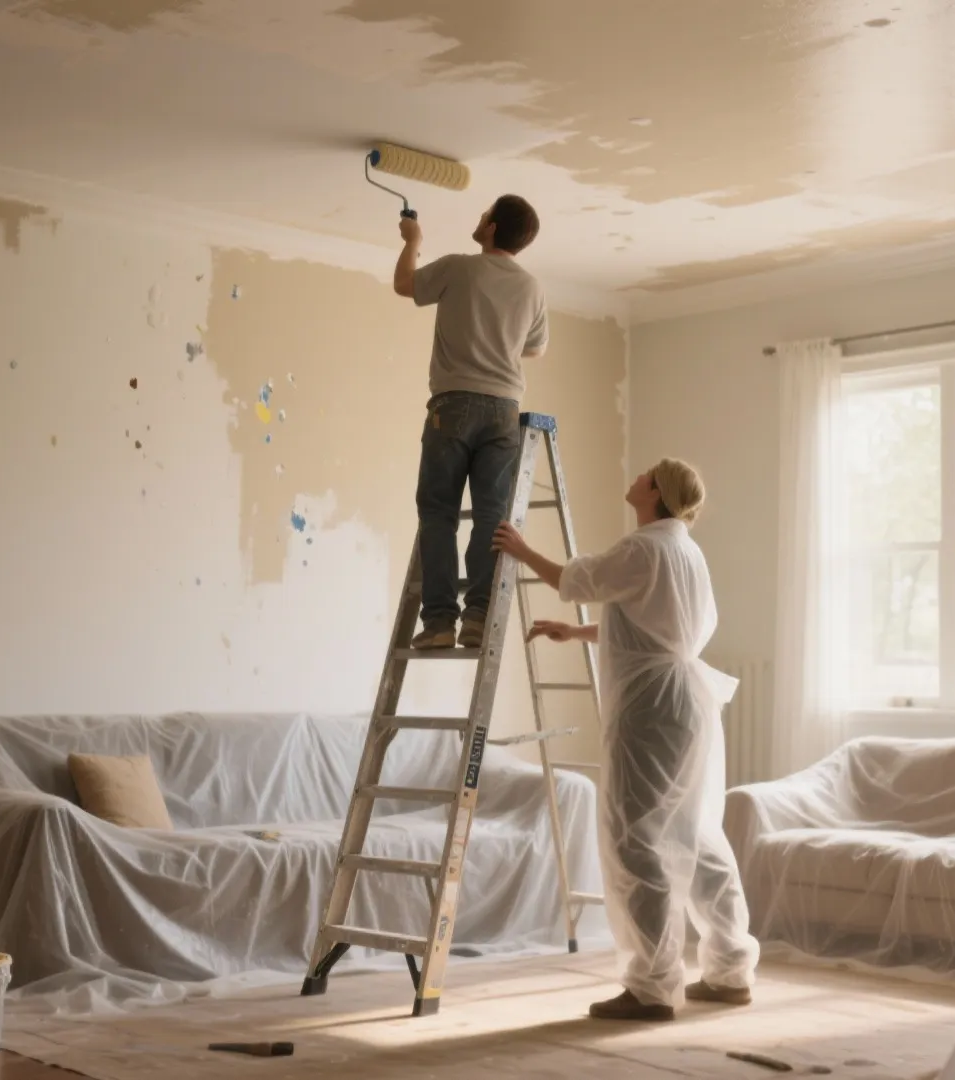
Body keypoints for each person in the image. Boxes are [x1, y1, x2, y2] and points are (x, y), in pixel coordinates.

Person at [493, 459, 760, 1022]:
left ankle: (651, 987)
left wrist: (522, 550)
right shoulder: (685, 551)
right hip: (687, 705)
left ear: (656, 491)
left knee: (636, 839)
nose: (637, 476)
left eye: (646, 474)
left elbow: (576, 581)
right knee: (697, 833)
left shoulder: (644, 546)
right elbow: (653, 624)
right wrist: (579, 632)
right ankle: (731, 970)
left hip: (652, 710)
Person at [394, 194, 548, 650]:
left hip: (454, 404)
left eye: (485, 215)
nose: (479, 220)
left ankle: (441, 621)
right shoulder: (532, 287)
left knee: (439, 512)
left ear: (493, 228)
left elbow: (404, 284)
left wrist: (412, 240)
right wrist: (499, 339)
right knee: (491, 516)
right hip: (504, 410)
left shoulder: (459, 267)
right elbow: (536, 348)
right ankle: (478, 617)